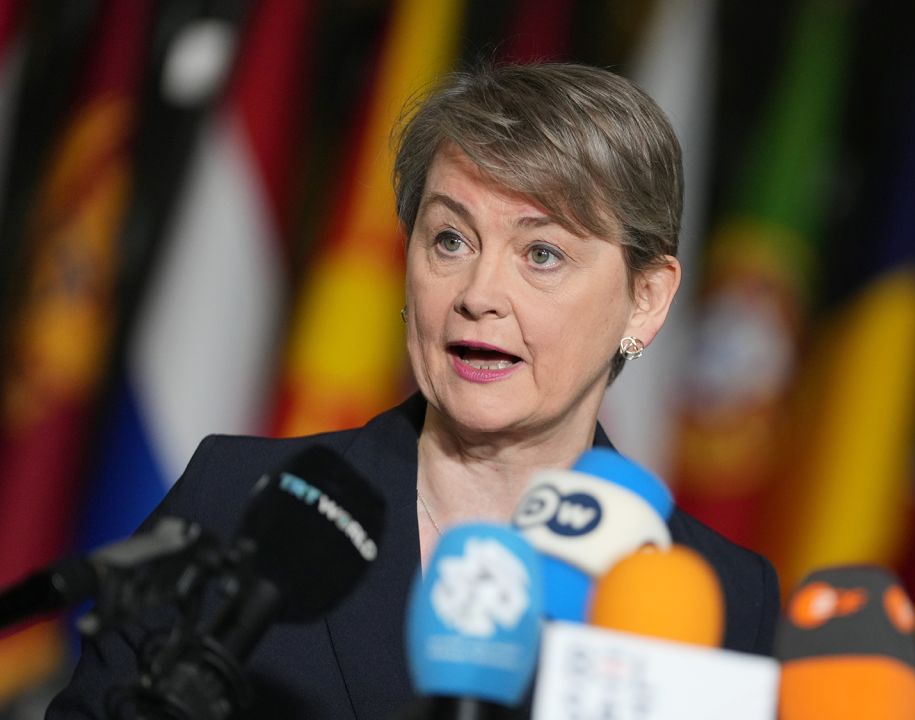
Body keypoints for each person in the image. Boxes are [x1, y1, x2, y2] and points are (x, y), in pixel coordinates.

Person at [49, 62, 780, 718]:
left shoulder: (723, 598)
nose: (479, 294)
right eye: (451, 240)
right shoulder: (243, 500)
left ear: (646, 299)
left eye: (543, 253)